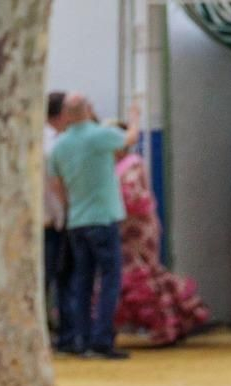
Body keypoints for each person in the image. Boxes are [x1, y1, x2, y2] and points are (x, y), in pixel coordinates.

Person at [50, 93, 139, 359]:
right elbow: (129, 140)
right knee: (110, 279)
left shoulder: (60, 145)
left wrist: (71, 205)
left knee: (82, 281)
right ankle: (102, 339)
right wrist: (135, 118)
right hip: (103, 217)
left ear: (66, 114)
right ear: (88, 109)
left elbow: (56, 184)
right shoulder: (99, 135)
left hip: (77, 219)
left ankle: (81, 338)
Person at [115, 154, 208, 346]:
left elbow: (135, 197)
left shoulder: (132, 165)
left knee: (144, 275)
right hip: (127, 228)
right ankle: (171, 322)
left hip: (137, 228)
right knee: (138, 276)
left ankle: (166, 325)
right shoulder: (119, 166)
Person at [43, 91, 71, 339]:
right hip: (52, 220)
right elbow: (55, 186)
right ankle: (59, 331)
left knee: (46, 278)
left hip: (43, 220)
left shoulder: (38, 139)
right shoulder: (54, 144)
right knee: (56, 276)